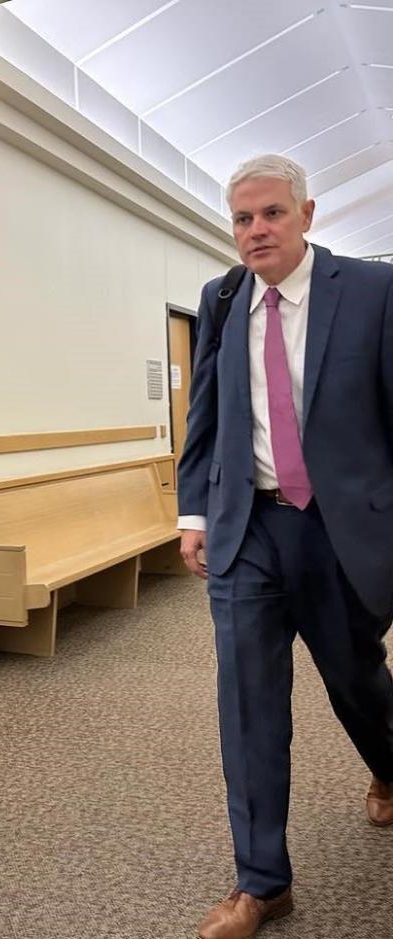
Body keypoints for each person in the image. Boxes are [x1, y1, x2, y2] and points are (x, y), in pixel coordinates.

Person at [177, 154, 393, 939]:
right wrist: (193, 513)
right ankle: (262, 882)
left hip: (341, 529)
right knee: (248, 704)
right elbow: (204, 416)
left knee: (355, 678)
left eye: (271, 213)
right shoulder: (224, 298)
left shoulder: (372, 290)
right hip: (249, 529)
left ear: (308, 213)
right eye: (242, 218)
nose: (256, 230)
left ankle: (389, 764)